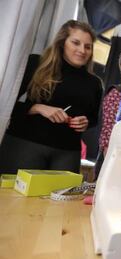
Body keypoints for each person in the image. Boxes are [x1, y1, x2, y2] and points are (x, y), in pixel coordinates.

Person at [0, 20, 102, 174]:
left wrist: (85, 122)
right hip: (24, 145)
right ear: (62, 42)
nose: (82, 50)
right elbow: (6, 103)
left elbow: (93, 118)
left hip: (68, 153)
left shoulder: (94, 83)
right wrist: (38, 108)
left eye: (88, 46)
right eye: (76, 43)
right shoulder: (36, 64)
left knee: (62, 198)